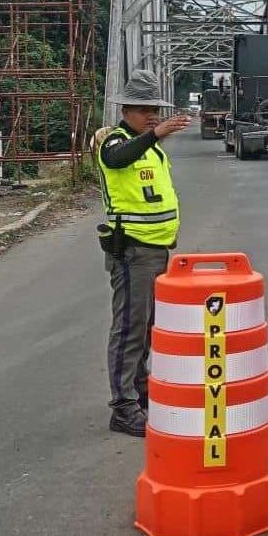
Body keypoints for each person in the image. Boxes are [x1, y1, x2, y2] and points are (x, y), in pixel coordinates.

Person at [96, 71, 192, 437]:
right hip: (132, 251)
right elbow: (118, 159)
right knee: (129, 329)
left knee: (148, 327)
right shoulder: (113, 141)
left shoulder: (150, 146)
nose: (151, 115)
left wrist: (153, 137)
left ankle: (139, 391)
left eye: (154, 109)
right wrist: (155, 133)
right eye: (143, 109)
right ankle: (122, 407)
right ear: (126, 111)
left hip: (156, 251)